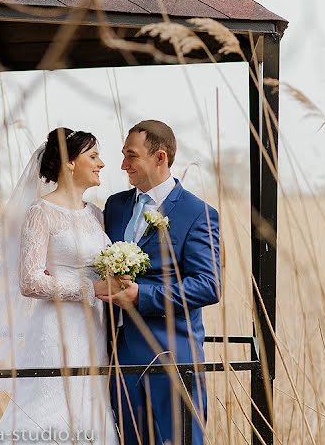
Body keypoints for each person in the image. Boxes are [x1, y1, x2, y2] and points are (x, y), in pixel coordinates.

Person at [0, 128, 121, 444]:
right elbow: (29, 280)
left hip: (93, 330)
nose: (101, 164)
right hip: (55, 329)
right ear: (70, 163)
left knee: (90, 409)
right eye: (93, 156)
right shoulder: (40, 212)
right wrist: (89, 289)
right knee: (47, 407)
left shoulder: (96, 214)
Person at [99, 120, 221, 445]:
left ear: (160, 158)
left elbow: (208, 285)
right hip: (121, 354)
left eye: (131, 156)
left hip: (173, 354)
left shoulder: (198, 214)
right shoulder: (115, 206)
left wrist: (142, 295)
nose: (123, 165)